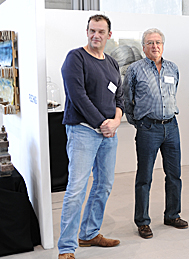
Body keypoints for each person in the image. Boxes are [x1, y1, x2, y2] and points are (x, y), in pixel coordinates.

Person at [58, 14, 122, 259]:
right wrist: (101, 123)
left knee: (103, 185)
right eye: (92, 31)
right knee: (76, 189)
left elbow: (120, 98)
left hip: (109, 133)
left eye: (101, 31)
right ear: (87, 32)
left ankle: (89, 234)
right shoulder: (76, 58)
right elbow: (77, 96)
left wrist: (115, 122)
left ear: (109, 35)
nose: (96, 35)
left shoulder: (112, 63)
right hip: (83, 130)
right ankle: (66, 247)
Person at [123, 28, 187, 239]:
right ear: (143, 47)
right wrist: (138, 122)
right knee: (144, 177)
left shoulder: (172, 68)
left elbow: (173, 91)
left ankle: (172, 214)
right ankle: (142, 221)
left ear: (163, 45)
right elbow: (127, 99)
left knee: (174, 174)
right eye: (150, 42)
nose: (155, 46)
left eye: (158, 42)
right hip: (148, 128)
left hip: (171, 126)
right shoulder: (134, 69)